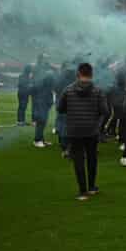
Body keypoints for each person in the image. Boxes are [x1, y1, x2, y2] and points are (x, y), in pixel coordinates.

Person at [57, 63, 108, 200]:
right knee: (92, 158)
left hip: (74, 130)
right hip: (92, 129)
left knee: (78, 160)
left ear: (78, 73)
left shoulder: (68, 90)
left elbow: (60, 109)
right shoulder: (98, 91)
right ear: (91, 74)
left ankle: (82, 192)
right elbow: (105, 111)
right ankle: (91, 187)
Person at [31, 57, 56, 148]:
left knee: (43, 121)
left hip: (44, 101)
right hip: (42, 101)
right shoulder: (47, 76)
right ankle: (37, 140)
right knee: (41, 121)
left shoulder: (43, 76)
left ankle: (41, 139)